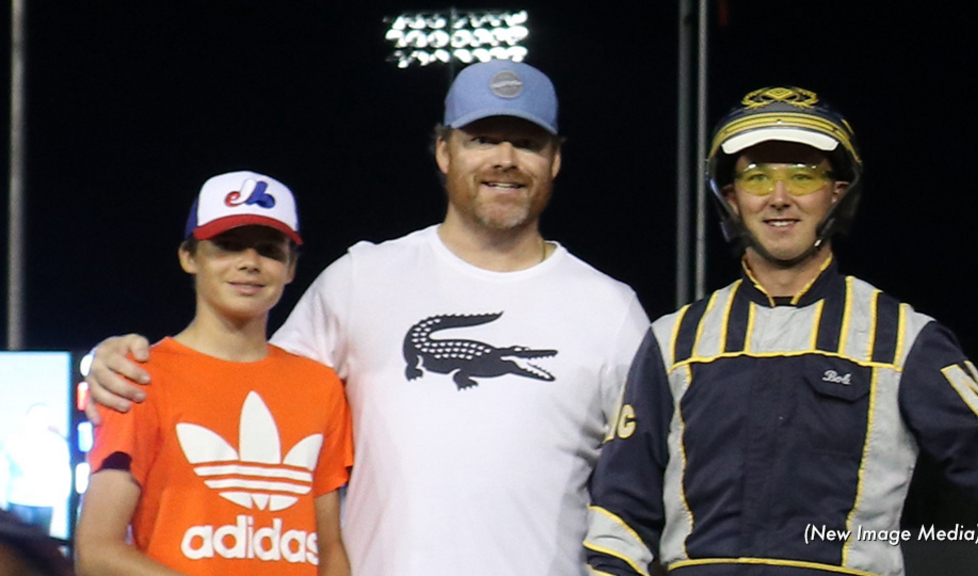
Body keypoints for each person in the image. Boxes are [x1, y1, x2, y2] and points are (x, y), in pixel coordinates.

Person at [84, 61, 650, 575]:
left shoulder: (609, 308)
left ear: (554, 159)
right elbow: (242, 381)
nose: (505, 158)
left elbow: (651, 486)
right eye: (482, 139)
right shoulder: (362, 280)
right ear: (444, 151)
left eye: (527, 143)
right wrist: (115, 360)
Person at [584, 86, 978, 576]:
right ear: (729, 196)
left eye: (802, 176)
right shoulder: (674, 340)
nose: (779, 198)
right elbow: (621, 509)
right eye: (756, 178)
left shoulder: (903, 338)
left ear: (837, 192)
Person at [74, 172, 354, 576]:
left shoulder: (319, 385)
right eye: (227, 246)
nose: (249, 263)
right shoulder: (137, 377)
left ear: (291, 268)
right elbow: (96, 551)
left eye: (270, 251)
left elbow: (328, 550)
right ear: (189, 256)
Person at [1, 404, 71, 536]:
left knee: (42, 544)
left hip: (45, 501)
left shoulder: (57, 443)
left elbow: (63, 470)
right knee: (17, 544)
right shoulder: (13, 440)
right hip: (18, 500)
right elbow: (17, 463)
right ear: (26, 418)